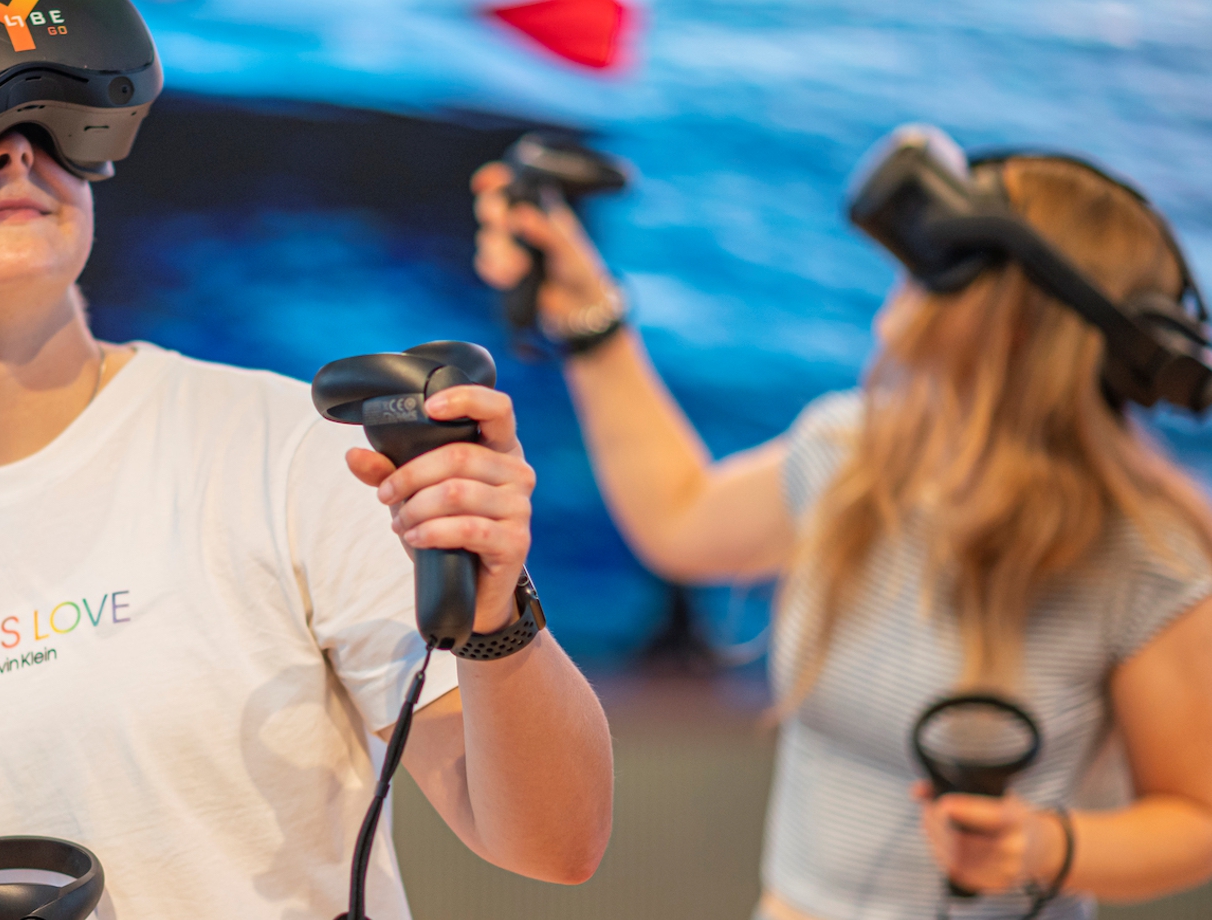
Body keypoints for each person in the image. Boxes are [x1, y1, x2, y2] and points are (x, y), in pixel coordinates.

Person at [0, 19, 615, 920]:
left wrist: (497, 617)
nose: (12, 156)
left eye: (44, 123)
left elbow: (553, 843)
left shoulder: (292, 455)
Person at [472, 132, 1212, 920]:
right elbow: (680, 519)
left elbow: (1197, 816)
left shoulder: (1148, 560)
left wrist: (1045, 848)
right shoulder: (851, 457)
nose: (908, 274)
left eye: (944, 259)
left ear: (1017, 321)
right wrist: (585, 309)